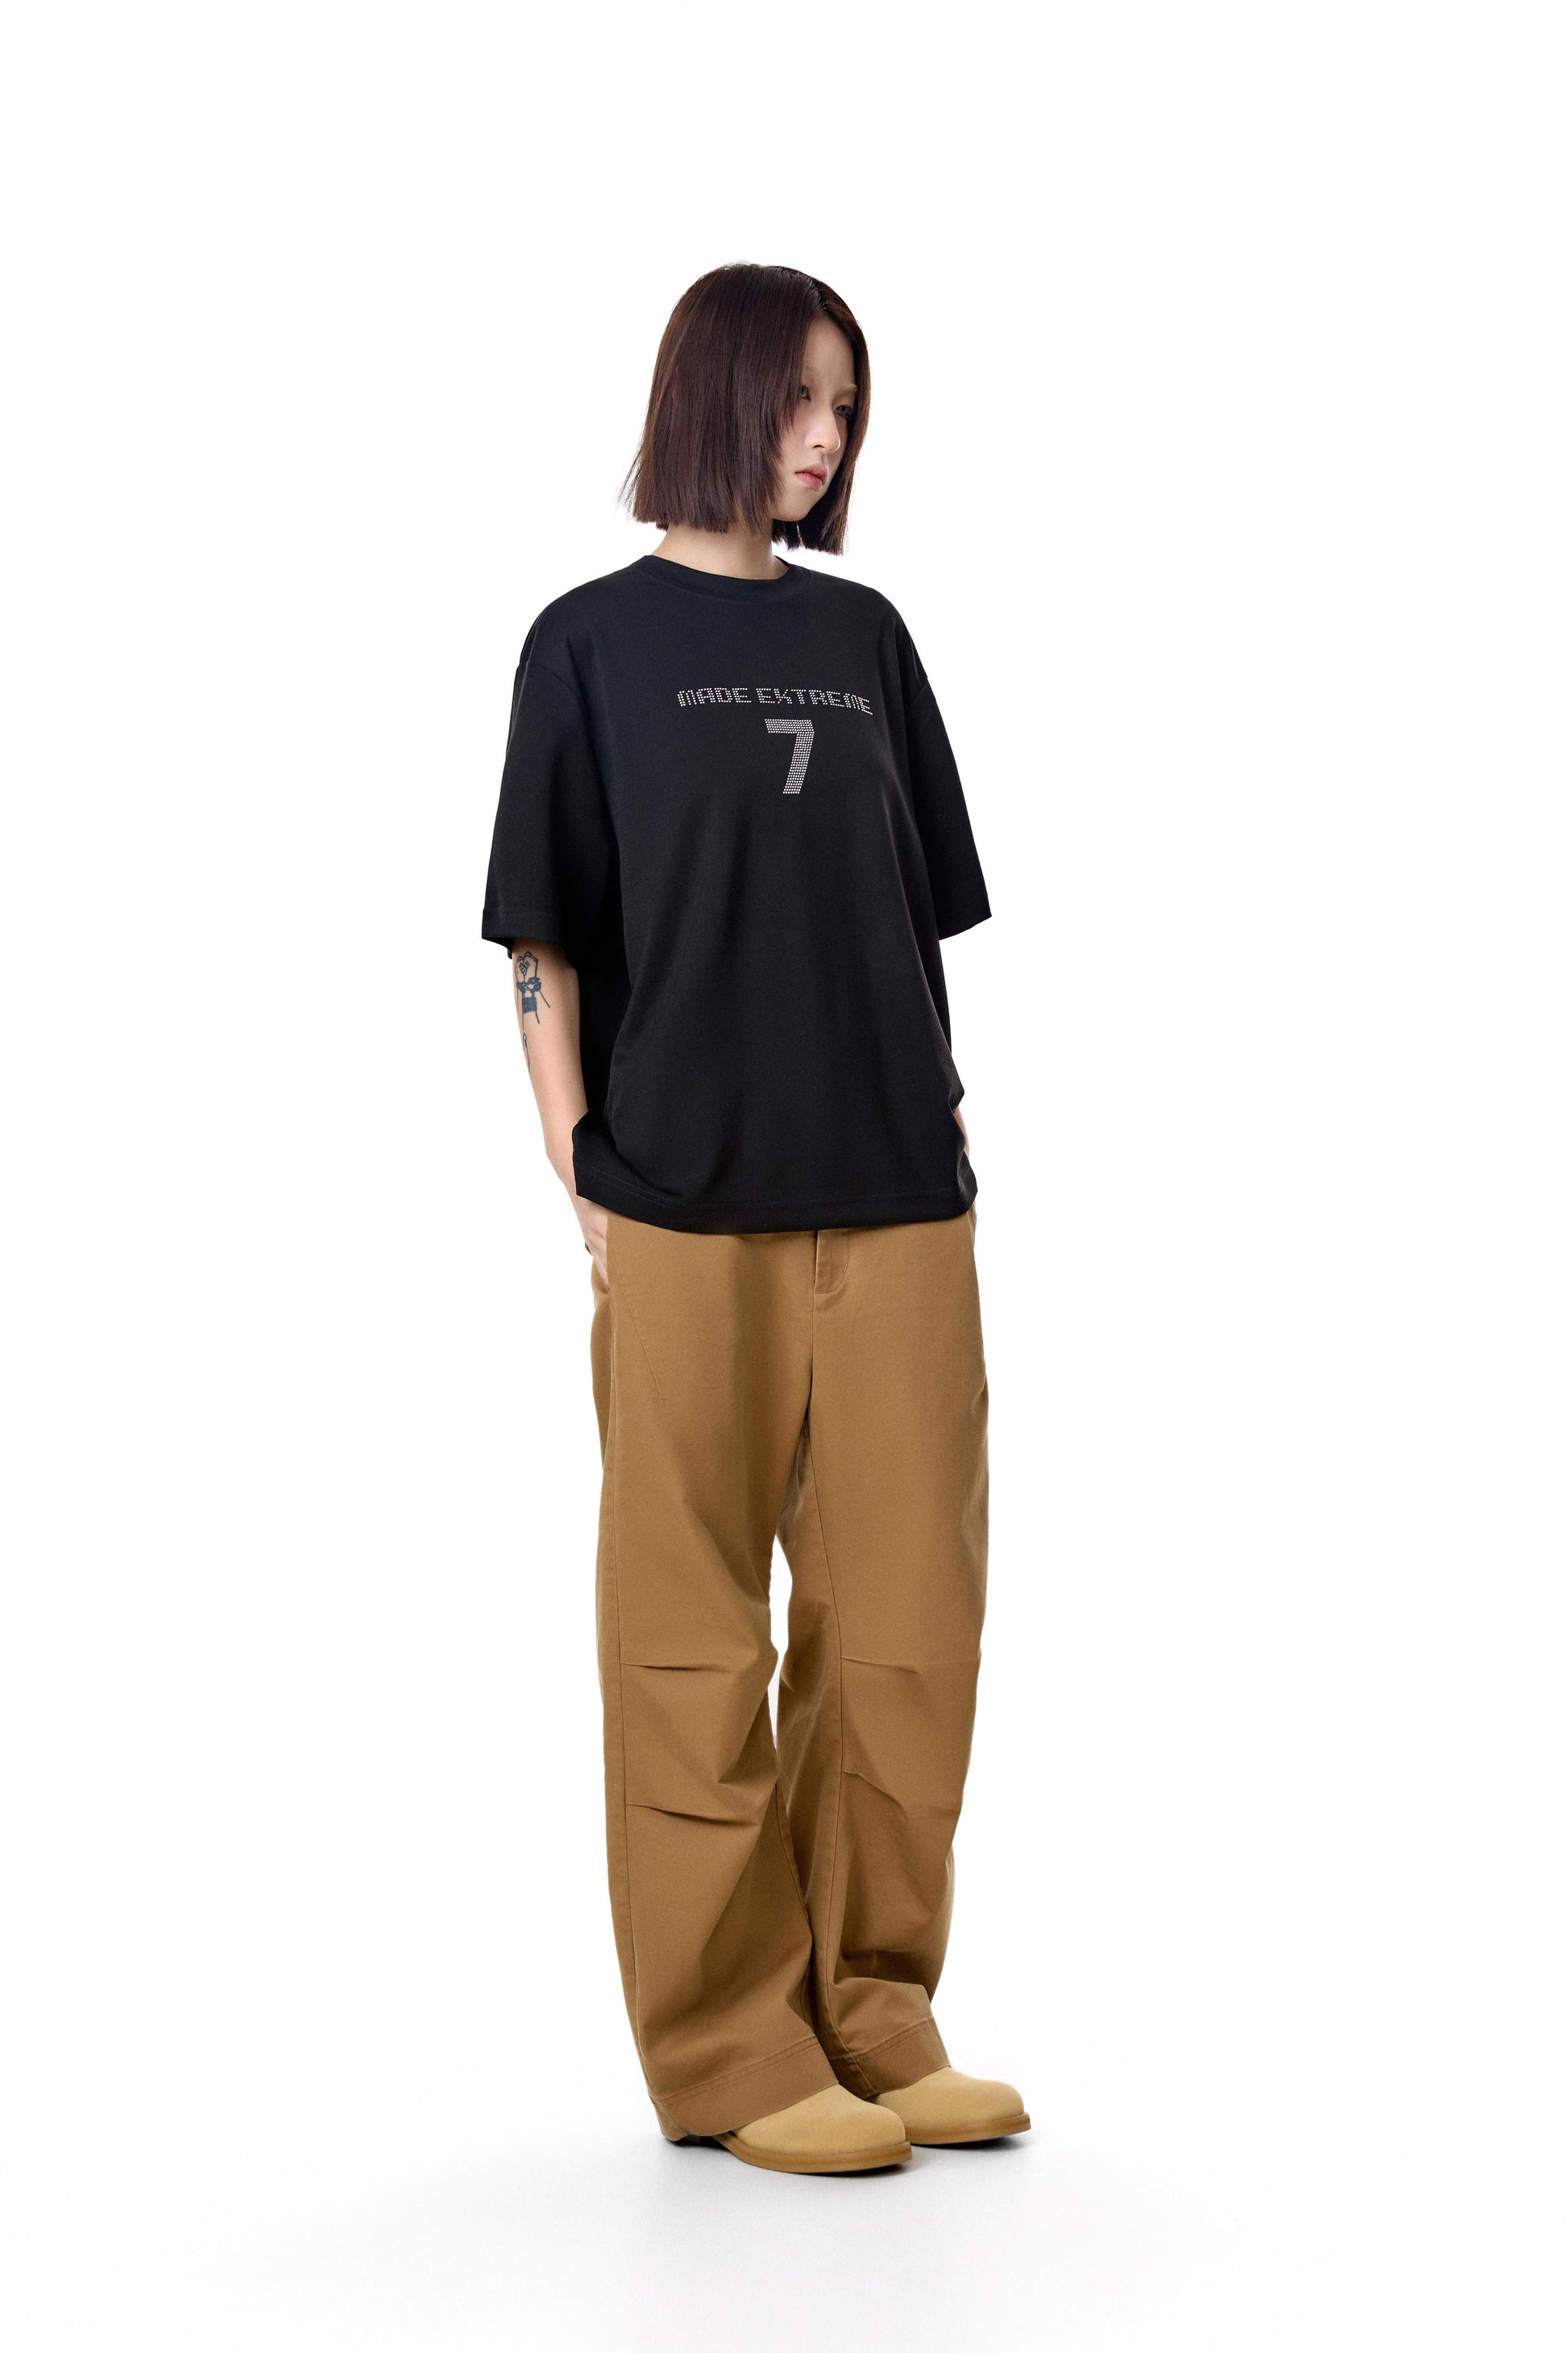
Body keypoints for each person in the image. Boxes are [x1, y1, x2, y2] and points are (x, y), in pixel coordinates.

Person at [482, 263, 1027, 2175]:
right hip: (682, 1206)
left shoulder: (866, 637)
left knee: (906, 1630)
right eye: (798, 398)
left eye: (845, 408)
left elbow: (905, 915)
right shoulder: (586, 644)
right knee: (687, 1636)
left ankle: (872, 2009)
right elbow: (542, 937)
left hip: (895, 1196)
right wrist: (577, 1165)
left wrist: (941, 1123)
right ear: (709, 395)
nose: (824, 437)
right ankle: (729, 2046)